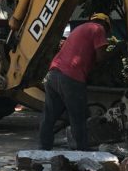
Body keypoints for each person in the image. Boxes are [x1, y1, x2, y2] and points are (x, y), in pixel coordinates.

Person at [39, 13, 115, 151]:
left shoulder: (79, 29)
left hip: (53, 74)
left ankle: (43, 149)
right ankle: (82, 152)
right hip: (71, 77)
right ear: (105, 24)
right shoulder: (98, 28)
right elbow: (100, 57)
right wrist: (116, 51)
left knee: (49, 117)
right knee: (79, 118)